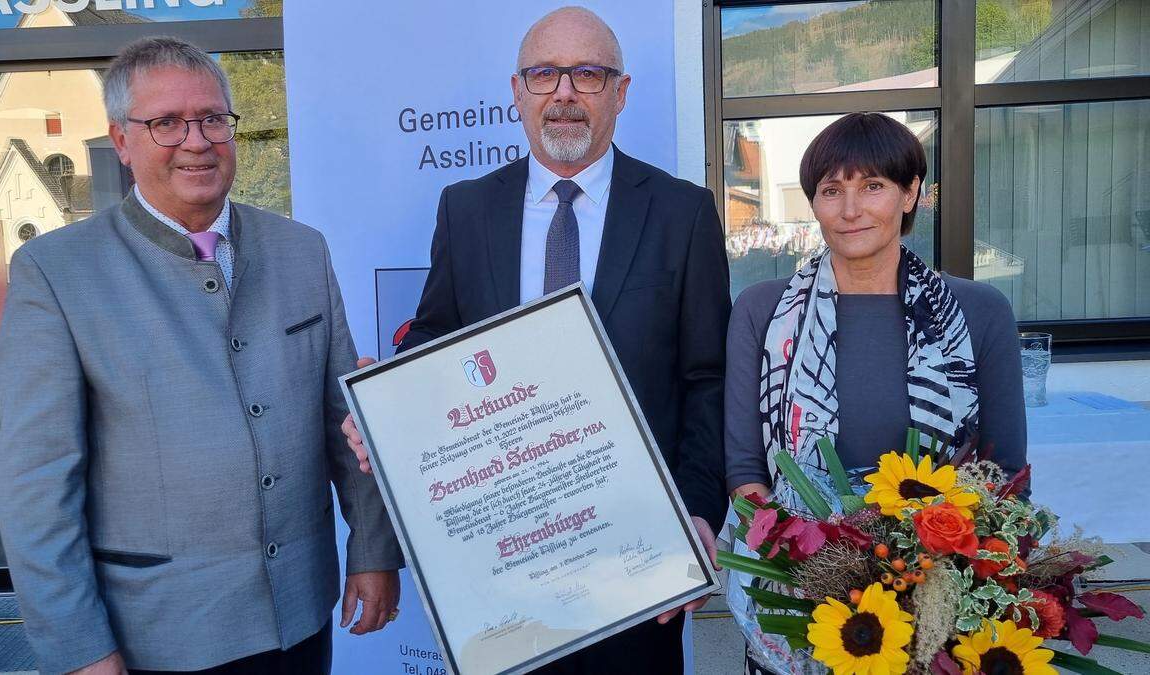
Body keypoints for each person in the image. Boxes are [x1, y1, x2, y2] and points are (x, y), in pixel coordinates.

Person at [0, 36, 402, 675]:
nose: (197, 139)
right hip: (157, 638)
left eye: (213, 117)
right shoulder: (56, 274)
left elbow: (344, 419)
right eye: (166, 123)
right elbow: (38, 489)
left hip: (301, 621)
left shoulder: (302, 251)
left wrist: (374, 551)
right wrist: (79, 649)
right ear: (122, 141)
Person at [342, 6, 730, 674]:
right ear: (517, 92)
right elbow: (435, 333)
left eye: (587, 73)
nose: (564, 93)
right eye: (544, 74)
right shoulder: (466, 208)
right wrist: (389, 408)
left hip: (634, 556)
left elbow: (707, 379)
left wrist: (695, 510)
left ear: (621, 91)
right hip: (500, 554)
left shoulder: (680, 212)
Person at [723, 112, 1027, 673]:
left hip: (939, 587)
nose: (850, 209)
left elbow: (1003, 472)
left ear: (912, 193)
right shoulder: (764, 312)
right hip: (798, 584)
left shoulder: (978, 313)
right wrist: (803, 564)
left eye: (873, 187)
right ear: (813, 202)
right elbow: (746, 470)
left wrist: (923, 578)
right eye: (831, 190)